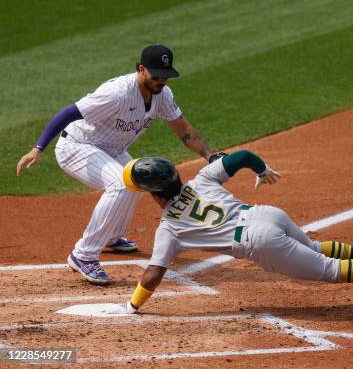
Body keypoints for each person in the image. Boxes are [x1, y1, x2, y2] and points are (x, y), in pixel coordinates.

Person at [104, 150, 353, 314]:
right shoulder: (201, 180)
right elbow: (242, 156)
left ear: (153, 193)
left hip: (260, 242)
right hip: (267, 214)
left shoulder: (169, 229)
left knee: (327, 270)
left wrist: (132, 306)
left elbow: (152, 275)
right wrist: (262, 170)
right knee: (315, 248)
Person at [16, 45, 212, 285]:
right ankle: (83, 255)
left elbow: (183, 129)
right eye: (156, 75)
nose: (161, 81)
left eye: (165, 75)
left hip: (110, 149)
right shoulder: (117, 93)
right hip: (77, 146)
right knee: (121, 184)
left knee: (139, 179)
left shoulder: (163, 95)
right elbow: (68, 113)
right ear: (141, 69)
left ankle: (110, 236)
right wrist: (38, 148)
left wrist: (209, 155)